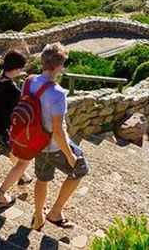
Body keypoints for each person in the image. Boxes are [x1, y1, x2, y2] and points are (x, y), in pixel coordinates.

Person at [29, 43, 90, 231]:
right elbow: (58, 130)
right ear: (58, 67)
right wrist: (70, 155)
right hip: (54, 146)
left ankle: (39, 217)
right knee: (80, 170)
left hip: (37, 142)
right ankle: (55, 213)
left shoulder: (31, 81)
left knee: (42, 178)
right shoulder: (57, 94)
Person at [0, 48, 33, 209]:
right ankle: (0, 195)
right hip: (11, 129)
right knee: (25, 159)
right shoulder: (14, 91)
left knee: (13, 151)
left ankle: (22, 176)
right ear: (17, 69)